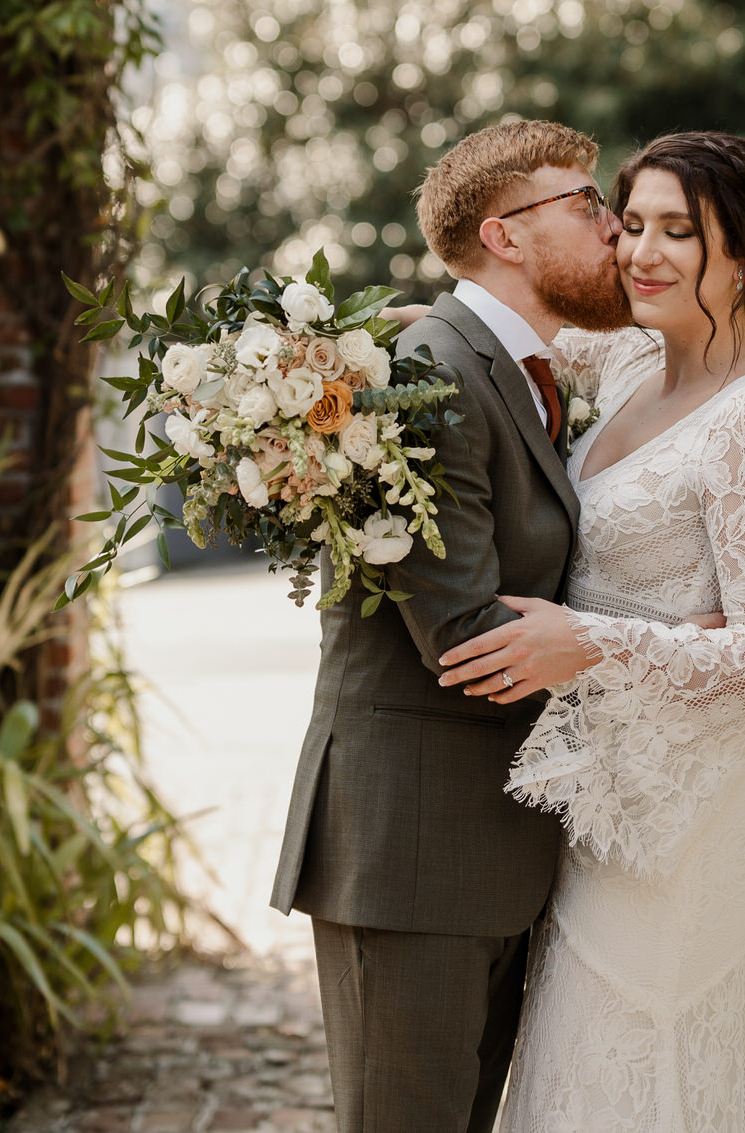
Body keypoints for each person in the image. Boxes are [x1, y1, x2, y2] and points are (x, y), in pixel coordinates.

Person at [434, 130, 745, 1131]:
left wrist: (594, 643)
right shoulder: (626, 364)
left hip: (686, 823)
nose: (641, 251)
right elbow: (488, 331)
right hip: (598, 795)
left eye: (678, 232)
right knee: (572, 1076)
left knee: (641, 1079)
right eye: (631, 221)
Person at [269, 119, 637, 1133]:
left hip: (487, 847)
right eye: (587, 206)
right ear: (506, 234)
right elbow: (470, 640)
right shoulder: (430, 372)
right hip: (413, 849)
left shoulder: (522, 369)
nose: (616, 232)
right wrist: (670, 653)